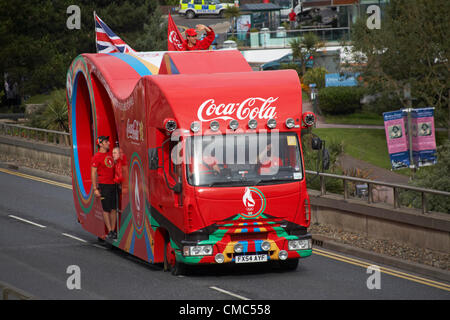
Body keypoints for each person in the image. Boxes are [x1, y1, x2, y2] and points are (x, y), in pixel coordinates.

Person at [91, 136, 117, 240]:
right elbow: (93, 173)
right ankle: (110, 230)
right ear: (100, 144)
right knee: (106, 209)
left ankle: (114, 230)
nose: (109, 143)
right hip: (104, 185)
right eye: (106, 142)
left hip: (113, 184)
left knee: (114, 209)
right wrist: (95, 189)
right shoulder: (96, 157)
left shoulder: (110, 154)